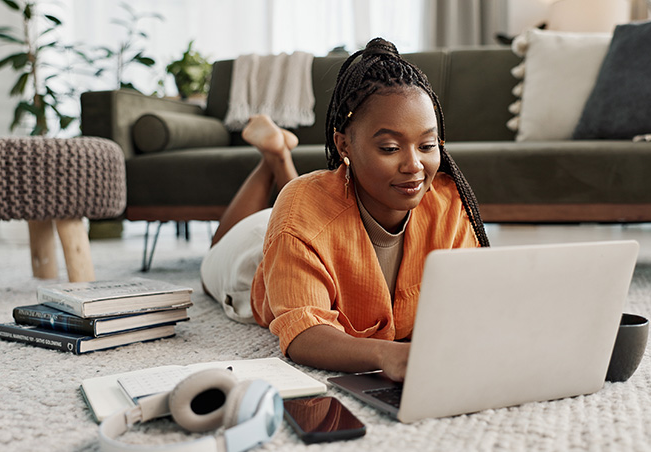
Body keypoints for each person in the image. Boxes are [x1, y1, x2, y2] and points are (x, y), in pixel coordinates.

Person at [201, 37, 489, 382]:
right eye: (390, 147)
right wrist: (386, 353)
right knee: (217, 250)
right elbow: (303, 331)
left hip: (306, 221)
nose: (414, 165)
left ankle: (278, 155)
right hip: (251, 259)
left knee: (300, 204)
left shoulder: (448, 204)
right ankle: (274, 159)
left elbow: (474, 300)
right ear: (343, 144)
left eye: (427, 144)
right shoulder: (299, 213)